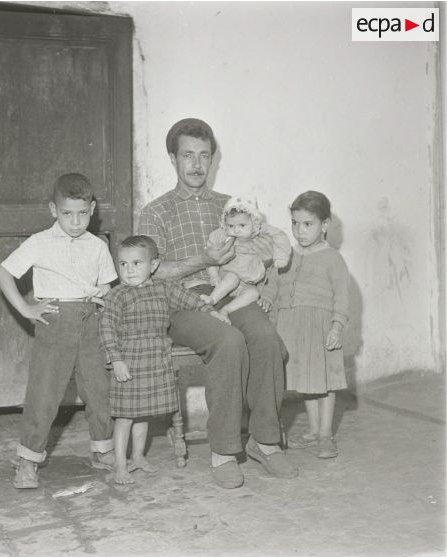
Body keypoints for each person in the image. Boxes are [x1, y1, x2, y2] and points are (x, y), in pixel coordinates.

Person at [138, 117, 298, 489]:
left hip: (233, 292)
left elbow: (264, 258)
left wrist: (264, 278)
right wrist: (205, 260)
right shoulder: (156, 211)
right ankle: (224, 450)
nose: (196, 164)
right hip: (180, 301)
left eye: (204, 156)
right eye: (188, 156)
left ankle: (265, 440)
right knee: (228, 341)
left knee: (265, 339)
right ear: (173, 159)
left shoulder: (232, 206)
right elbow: (150, 273)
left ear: (213, 160)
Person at [0, 173, 118, 488]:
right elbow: (3, 273)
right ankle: (27, 461)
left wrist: (102, 293)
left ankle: (103, 451)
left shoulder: (98, 245)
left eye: (82, 213)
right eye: (67, 213)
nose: (76, 221)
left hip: (91, 321)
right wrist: (25, 309)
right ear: (53, 209)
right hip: (56, 321)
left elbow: (107, 283)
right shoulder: (39, 242)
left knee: (99, 390)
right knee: (44, 394)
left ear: (92, 208)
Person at [98, 235, 227, 485]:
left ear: (154, 265)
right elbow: (106, 330)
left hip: (154, 360)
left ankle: (138, 457)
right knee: (125, 417)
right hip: (129, 363)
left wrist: (211, 311)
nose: (129, 270)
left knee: (144, 414)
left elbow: (190, 301)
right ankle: (121, 466)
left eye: (137, 263)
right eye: (123, 264)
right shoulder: (116, 296)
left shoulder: (163, 288)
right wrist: (116, 360)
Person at [259, 191, 349, 459]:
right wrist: (265, 297)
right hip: (291, 325)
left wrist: (336, 326)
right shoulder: (285, 255)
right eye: (295, 224)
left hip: (320, 327)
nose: (300, 231)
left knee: (324, 382)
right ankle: (312, 430)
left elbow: (342, 297)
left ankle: (325, 434)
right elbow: (273, 283)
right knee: (306, 381)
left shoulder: (333, 259)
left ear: (325, 224)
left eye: (307, 224)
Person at [201, 195, 291, 322]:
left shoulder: (260, 230)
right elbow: (210, 252)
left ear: (254, 222)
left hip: (247, 284)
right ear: (224, 224)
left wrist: (281, 257)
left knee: (254, 293)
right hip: (227, 277)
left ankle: (225, 311)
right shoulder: (222, 234)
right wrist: (214, 275)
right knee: (232, 278)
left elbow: (280, 235)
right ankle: (212, 299)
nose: (236, 230)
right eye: (231, 226)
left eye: (242, 225)